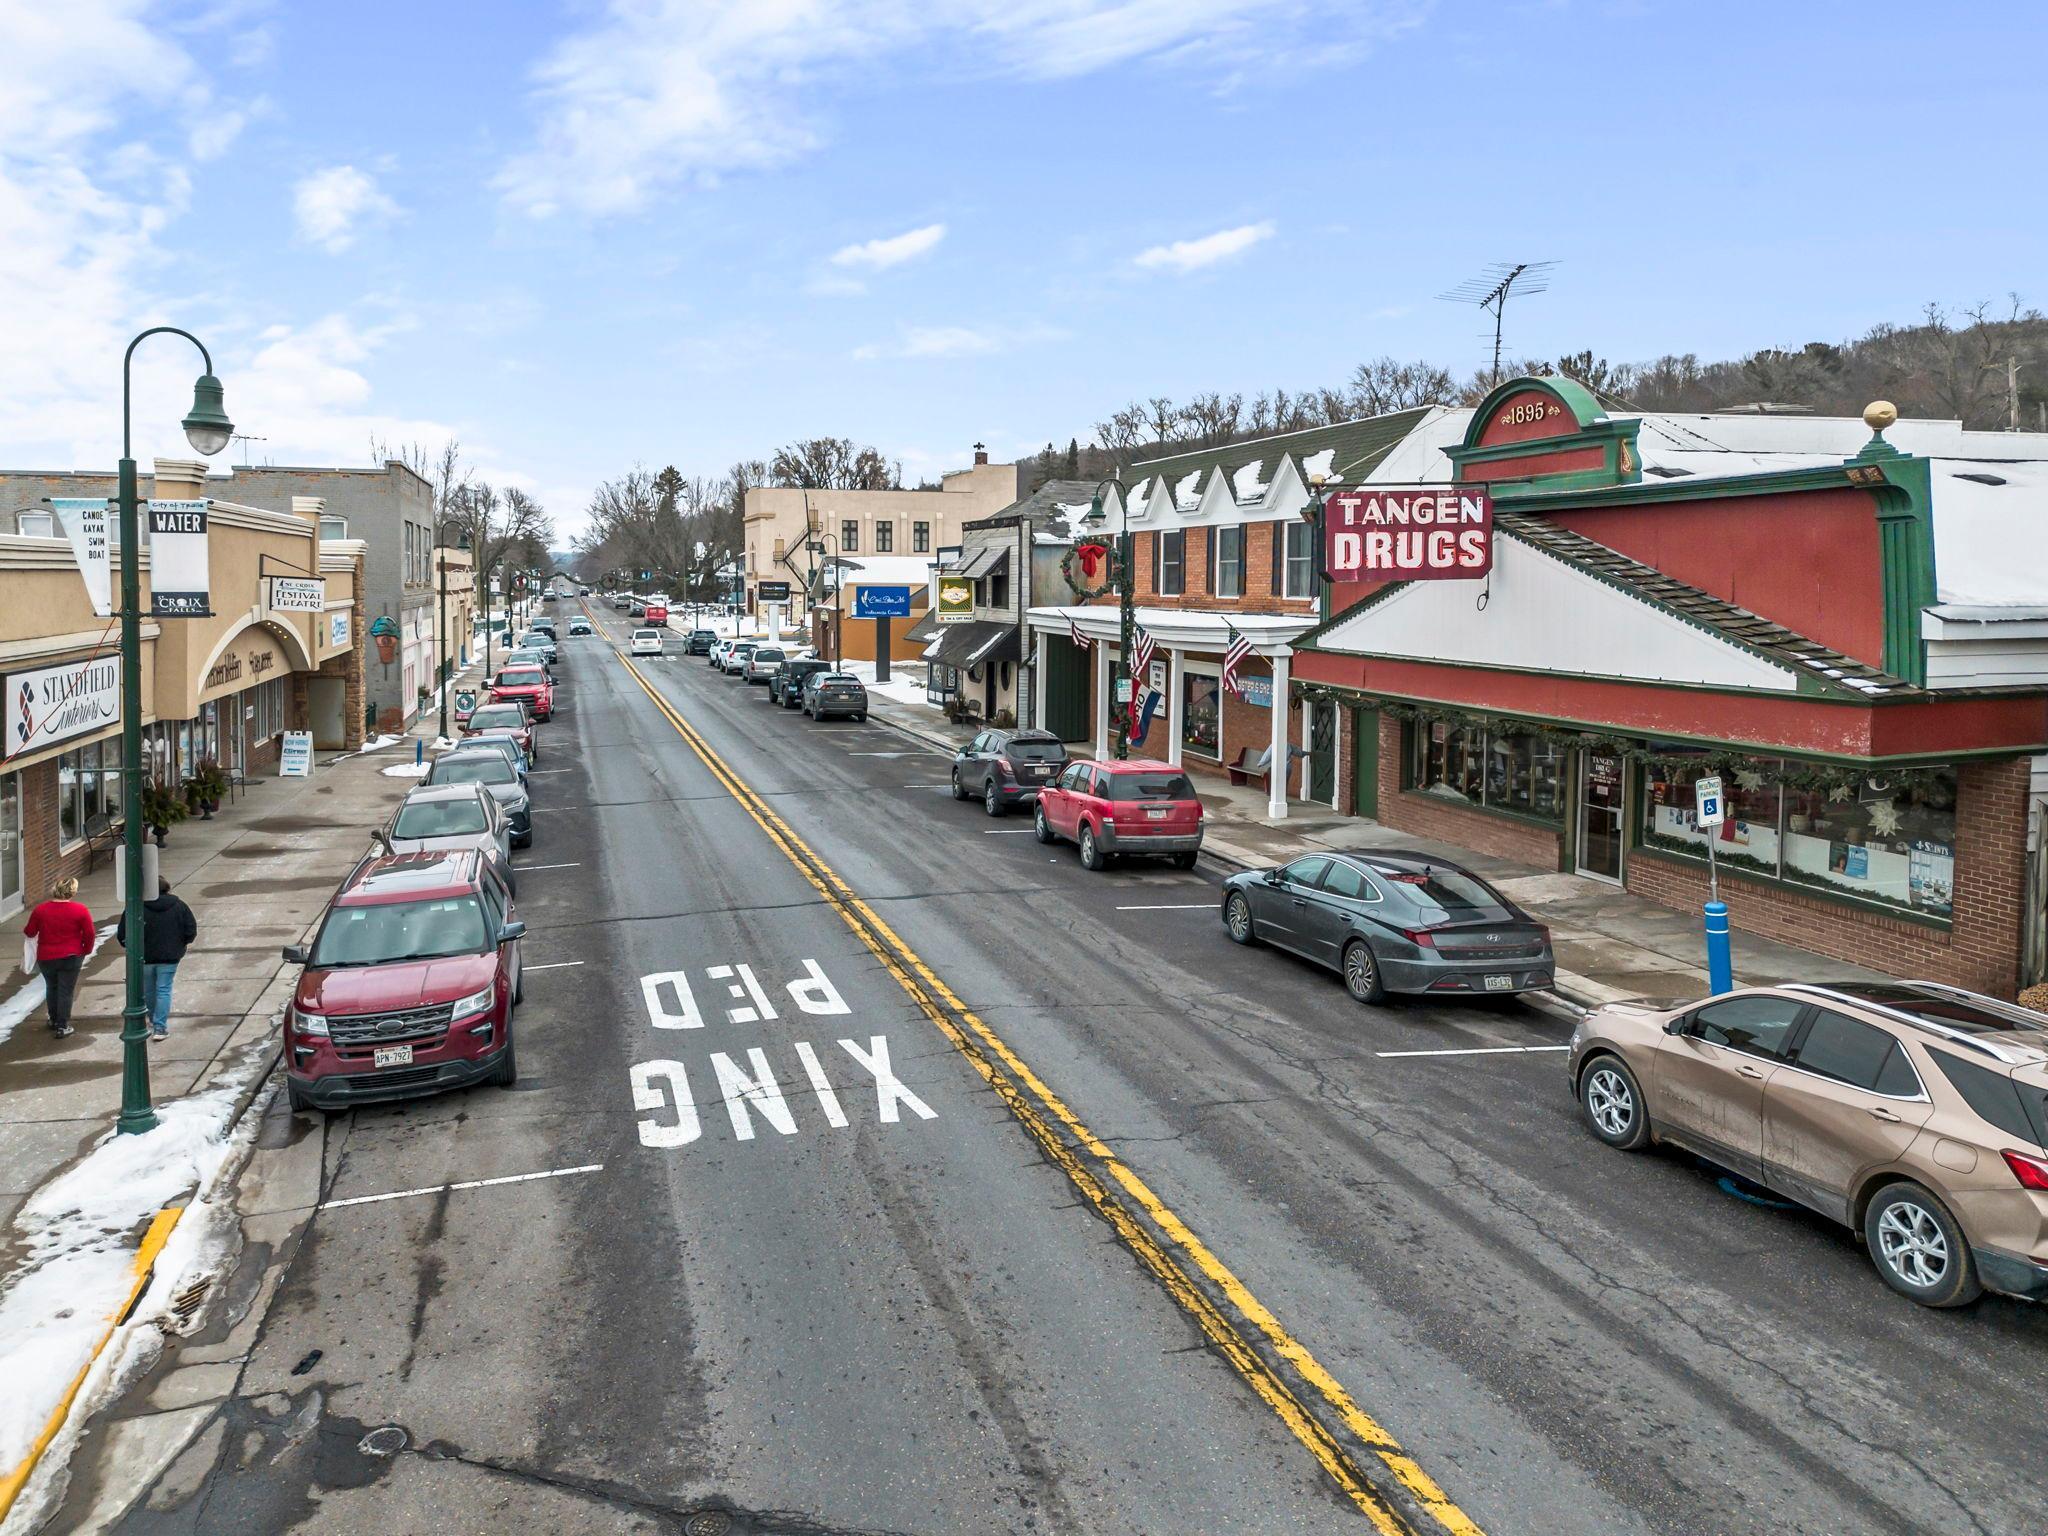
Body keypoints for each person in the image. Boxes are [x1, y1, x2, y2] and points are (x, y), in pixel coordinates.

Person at [116, 877, 199, 1042]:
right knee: (163, 989)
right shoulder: (179, 906)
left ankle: (154, 1022)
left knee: (148, 991)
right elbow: (190, 930)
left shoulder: (136, 907)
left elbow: (123, 933)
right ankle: (160, 1027)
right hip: (170, 956)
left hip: (144, 957)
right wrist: (181, 943)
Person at [24, 876, 95, 1039]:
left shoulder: (40, 910)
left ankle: (53, 1019)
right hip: (71, 955)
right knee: (66, 990)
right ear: (73, 892)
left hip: (46, 956)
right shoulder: (80, 910)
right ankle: (63, 1025)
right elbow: (89, 933)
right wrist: (86, 949)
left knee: (52, 986)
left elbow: (30, 932)